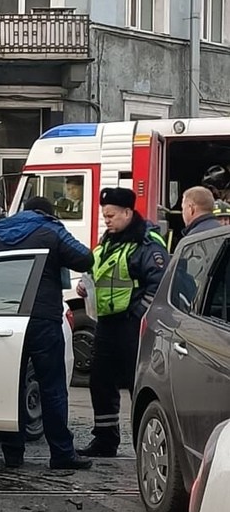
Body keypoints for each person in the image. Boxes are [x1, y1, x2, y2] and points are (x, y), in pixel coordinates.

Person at [0, 196, 94, 471]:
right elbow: (84, 258)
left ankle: (12, 453)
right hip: (42, 317)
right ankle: (61, 453)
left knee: (10, 386)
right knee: (52, 386)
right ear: (47, 213)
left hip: (5, 317)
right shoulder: (51, 229)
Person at [79, 187, 169, 458]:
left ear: (128, 212)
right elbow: (100, 274)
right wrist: (87, 288)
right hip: (106, 323)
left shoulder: (147, 243)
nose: (107, 220)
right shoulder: (107, 241)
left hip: (132, 325)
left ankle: (145, 446)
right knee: (101, 381)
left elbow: (159, 284)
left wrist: (137, 314)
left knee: (136, 384)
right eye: (104, 215)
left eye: (112, 215)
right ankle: (105, 440)